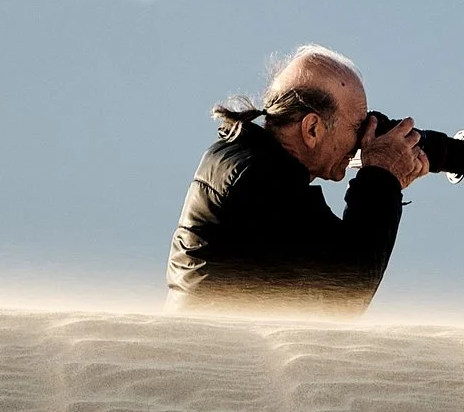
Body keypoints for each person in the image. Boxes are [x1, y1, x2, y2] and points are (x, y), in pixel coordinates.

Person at [166, 45, 428, 314]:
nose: (361, 141)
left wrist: (384, 177)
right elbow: (349, 291)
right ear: (312, 128)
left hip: (214, 336)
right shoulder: (260, 179)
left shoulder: (246, 162)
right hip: (217, 340)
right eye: (357, 127)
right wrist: (382, 176)